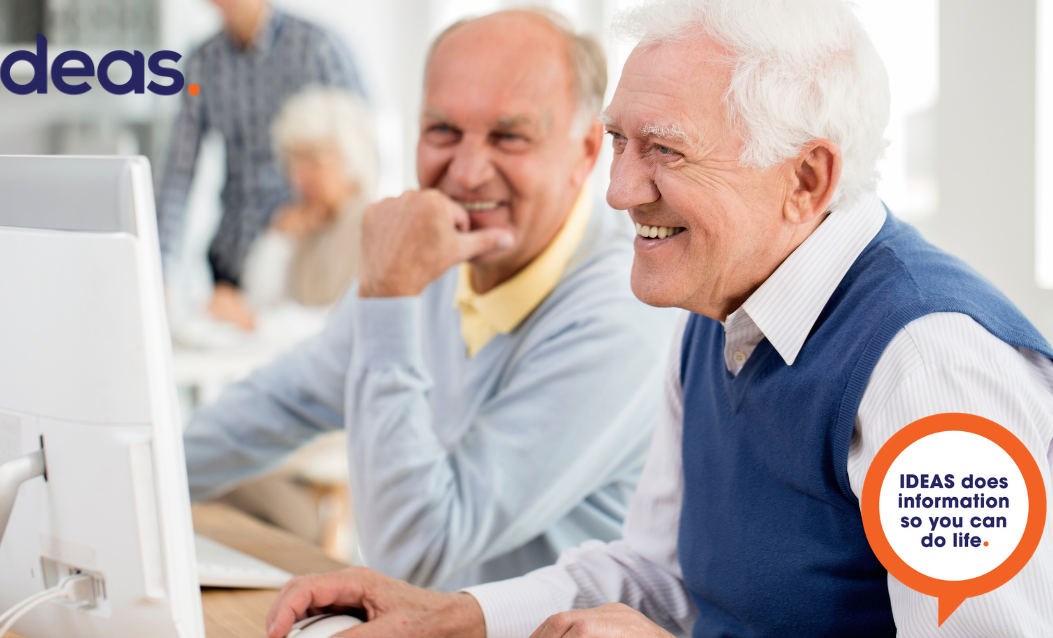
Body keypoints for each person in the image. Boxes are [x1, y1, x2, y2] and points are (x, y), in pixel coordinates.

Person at [261, 0, 1053, 636]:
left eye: (666, 152)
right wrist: (453, 615)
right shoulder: (719, 308)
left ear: (806, 178)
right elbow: (663, 573)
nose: (617, 191)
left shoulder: (930, 367)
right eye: (617, 141)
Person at [182, 9, 680, 591]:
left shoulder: (627, 306)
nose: (466, 174)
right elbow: (281, 402)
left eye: (510, 136)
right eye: (442, 131)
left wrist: (390, 296)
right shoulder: (436, 256)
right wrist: (121, 478)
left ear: (586, 152)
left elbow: (417, 550)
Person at [156, 0, 364, 330]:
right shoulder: (202, 63)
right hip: (235, 256)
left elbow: (362, 140)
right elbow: (178, 176)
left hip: (309, 252)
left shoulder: (318, 48)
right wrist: (160, 269)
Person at [242, 86, 376, 313]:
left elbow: (339, 324)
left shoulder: (370, 224)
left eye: (312, 160)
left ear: (350, 155)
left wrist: (259, 324)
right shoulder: (307, 224)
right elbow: (259, 300)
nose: (298, 177)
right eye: (292, 163)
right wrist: (278, 238)